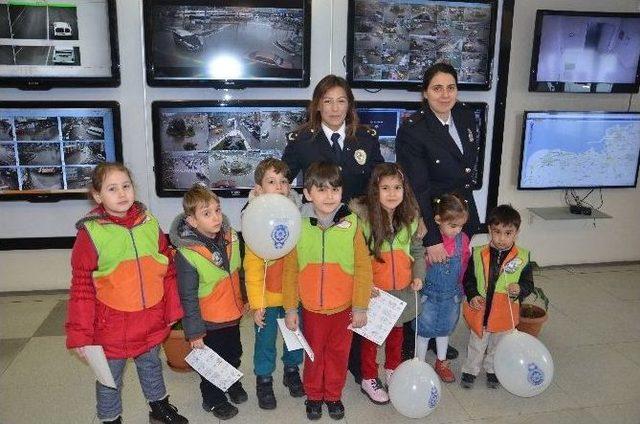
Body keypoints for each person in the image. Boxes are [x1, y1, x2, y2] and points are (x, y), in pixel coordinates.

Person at [65, 163, 188, 424]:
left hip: (149, 317)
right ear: (98, 196)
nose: (122, 194)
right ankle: (111, 418)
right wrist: (81, 335)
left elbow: (167, 270)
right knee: (110, 377)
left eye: (126, 186)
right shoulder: (90, 234)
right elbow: (82, 289)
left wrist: (171, 311)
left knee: (152, 365)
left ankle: (159, 407)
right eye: (112, 189)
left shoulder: (149, 223)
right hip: (112, 324)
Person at [396, 62, 482, 361]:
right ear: (425, 93)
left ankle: (438, 334)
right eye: (437, 88)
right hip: (431, 218)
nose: (445, 95)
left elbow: (467, 170)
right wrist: (431, 238)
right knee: (423, 284)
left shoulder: (467, 116)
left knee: (450, 279)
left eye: (450, 87)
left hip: (460, 214)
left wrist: (466, 220)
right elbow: (417, 187)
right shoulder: (413, 130)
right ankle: (413, 343)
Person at [282, 162, 373, 420]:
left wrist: (360, 306)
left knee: (338, 355)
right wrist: (290, 308)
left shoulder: (352, 224)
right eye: (321, 190)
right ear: (308, 193)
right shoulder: (297, 225)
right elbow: (290, 271)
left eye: (335, 189)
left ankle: (333, 395)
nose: (330, 196)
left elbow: (363, 268)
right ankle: (313, 395)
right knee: (313, 355)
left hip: (344, 308)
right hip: (311, 309)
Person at [348, 163, 425, 404]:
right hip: (375, 293)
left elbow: (417, 250)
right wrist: (364, 286)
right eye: (385, 188)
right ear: (375, 190)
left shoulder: (411, 218)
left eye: (397, 187)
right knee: (371, 338)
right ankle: (369, 376)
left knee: (396, 336)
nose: (392, 193)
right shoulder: (362, 221)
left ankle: (393, 370)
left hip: (401, 290)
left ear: (405, 190)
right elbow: (355, 258)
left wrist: (418, 275)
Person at [170, 184, 247, 420]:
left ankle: (231, 381)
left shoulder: (231, 237)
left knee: (234, 353)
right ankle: (212, 399)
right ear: (192, 221)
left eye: (217, 210)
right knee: (212, 363)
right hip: (208, 321)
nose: (216, 217)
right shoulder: (188, 254)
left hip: (232, 314)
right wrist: (194, 332)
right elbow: (188, 296)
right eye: (207, 213)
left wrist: (245, 299)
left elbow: (238, 273)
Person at [243, 158, 304, 410]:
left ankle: (291, 371)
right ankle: (264, 379)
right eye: (271, 182)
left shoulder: (296, 218)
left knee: (294, 339)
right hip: (266, 300)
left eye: (283, 182)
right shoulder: (255, 220)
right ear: (258, 188)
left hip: (292, 297)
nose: (278, 186)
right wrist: (257, 304)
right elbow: (252, 269)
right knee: (265, 343)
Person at [460, 204, 534, 389]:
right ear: (489, 230)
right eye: (497, 232)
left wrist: (520, 289)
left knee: (499, 345)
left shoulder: (522, 257)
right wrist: (473, 295)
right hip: (481, 310)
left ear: (516, 233)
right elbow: (468, 279)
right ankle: (470, 370)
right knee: (477, 343)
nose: (501, 238)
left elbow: (528, 284)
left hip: (504, 313)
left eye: (508, 233)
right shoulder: (478, 253)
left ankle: (493, 369)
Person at [282, 74, 384, 203]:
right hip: (317, 219)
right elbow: (281, 181)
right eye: (327, 101)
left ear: (349, 105)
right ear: (318, 105)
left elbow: (382, 181)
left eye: (341, 101)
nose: (335, 108)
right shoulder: (301, 141)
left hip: (359, 217)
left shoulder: (366, 139)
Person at [415, 193, 470, 383]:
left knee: (444, 330)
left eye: (461, 226)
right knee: (423, 330)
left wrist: (461, 289)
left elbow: (463, 265)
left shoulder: (463, 240)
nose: (457, 230)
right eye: (452, 226)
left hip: (451, 296)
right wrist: (424, 260)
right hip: (428, 295)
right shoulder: (427, 239)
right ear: (438, 220)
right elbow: (415, 264)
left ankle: (441, 361)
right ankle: (419, 364)